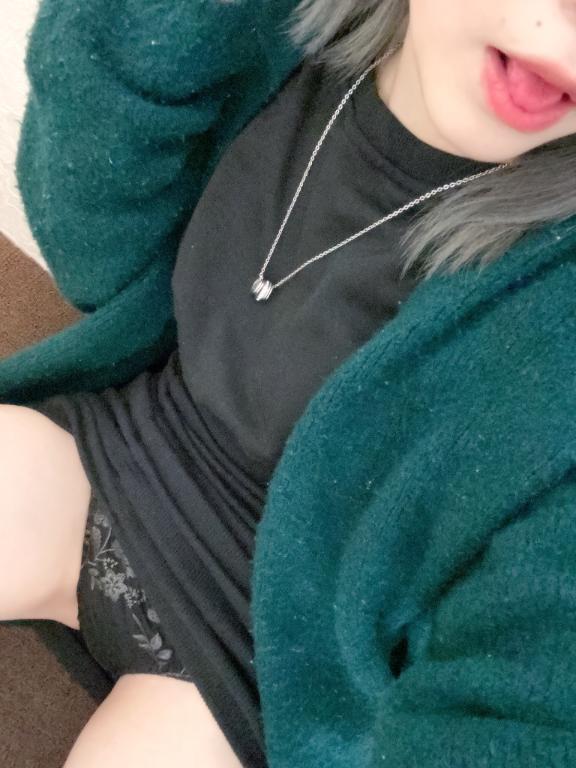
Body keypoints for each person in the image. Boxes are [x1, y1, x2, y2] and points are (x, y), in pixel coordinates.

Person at [3, 0, 576, 765]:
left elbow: (531, 694)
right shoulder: (265, 39)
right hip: (112, 457)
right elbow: (89, 251)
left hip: (260, 662)